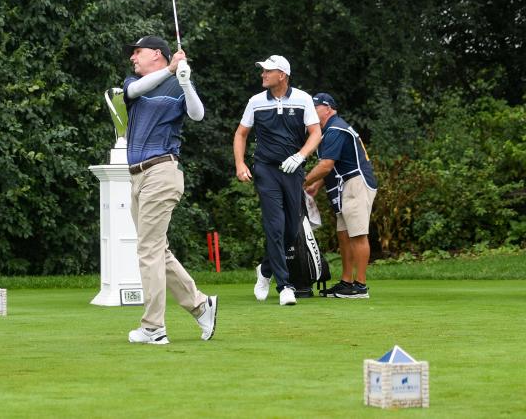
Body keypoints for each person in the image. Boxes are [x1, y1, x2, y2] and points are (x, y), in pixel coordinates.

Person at [122, 35, 217, 344]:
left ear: (158, 54)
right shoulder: (134, 84)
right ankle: (201, 306)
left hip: (162, 171)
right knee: (156, 249)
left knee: (148, 250)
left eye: (139, 52)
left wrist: (186, 82)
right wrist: (170, 70)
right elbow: (135, 90)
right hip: (137, 176)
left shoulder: (176, 84)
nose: (133, 58)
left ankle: (154, 327)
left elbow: (197, 114)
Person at [233, 55, 322, 306]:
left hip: (293, 170)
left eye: (267, 71)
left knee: (292, 228)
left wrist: (301, 155)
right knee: (275, 225)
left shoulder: (303, 99)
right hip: (266, 169)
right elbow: (241, 134)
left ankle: (265, 269)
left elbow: (316, 133)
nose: (263, 74)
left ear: (282, 75)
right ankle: (285, 286)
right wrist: (240, 164)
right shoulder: (256, 102)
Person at [303, 92, 378, 299]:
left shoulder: (335, 129)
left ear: (328, 108)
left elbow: (326, 165)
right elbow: (334, 163)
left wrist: (303, 181)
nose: (311, 111)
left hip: (355, 183)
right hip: (345, 185)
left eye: (315, 107)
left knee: (358, 234)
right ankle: (347, 282)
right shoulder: (328, 130)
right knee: (344, 235)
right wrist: (317, 184)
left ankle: (360, 286)